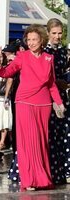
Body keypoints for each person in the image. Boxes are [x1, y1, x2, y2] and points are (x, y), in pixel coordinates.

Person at [0, 24, 65, 191]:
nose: (31, 43)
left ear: (42, 40)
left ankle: (42, 179)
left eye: (34, 39)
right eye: (28, 40)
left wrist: (58, 103)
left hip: (44, 105)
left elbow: (52, 83)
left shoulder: (48, 58)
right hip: (24, 103)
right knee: (27, 144)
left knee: (41, 143)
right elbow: (4, 73)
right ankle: (29, 180)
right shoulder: (22, 56)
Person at [44, 18, 70, 184]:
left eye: (60, 33)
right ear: (48, 33)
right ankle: (50, 171)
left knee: (63, 134)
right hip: (46, 98)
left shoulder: (61, 52)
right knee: (49, 135)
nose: (57, 36)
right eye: (54, 33)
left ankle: (63, 170)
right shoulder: (44, 52)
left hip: (62, 98)